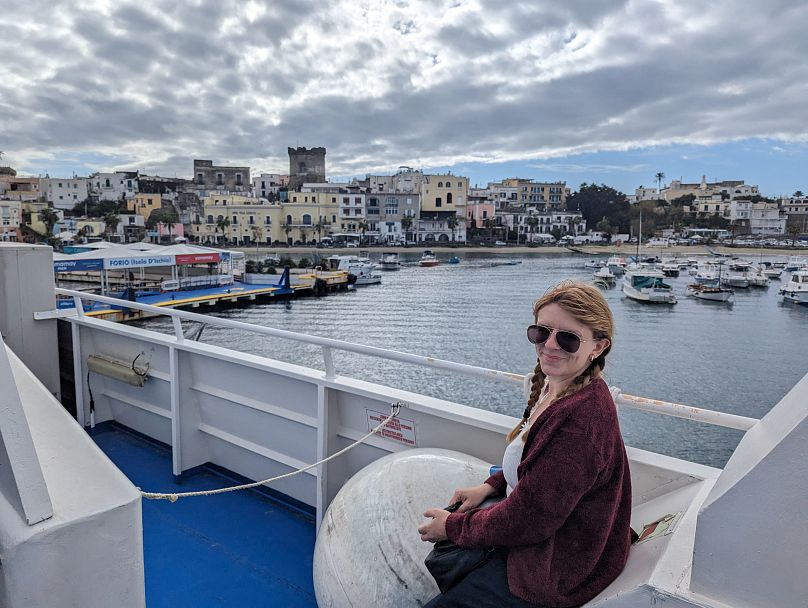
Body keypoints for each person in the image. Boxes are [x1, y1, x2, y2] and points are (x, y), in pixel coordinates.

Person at [418, 281, 634, 608]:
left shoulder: (580, 419)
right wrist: (490, 486)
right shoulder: (558, 387)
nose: (550, 345)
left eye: (567, 338)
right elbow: (536, 465)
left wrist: (451, 527)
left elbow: (529, 520)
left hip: (555, 567)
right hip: (543, 535)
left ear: (598, 347)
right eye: (541, 332)